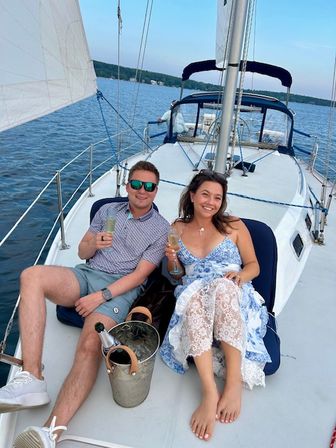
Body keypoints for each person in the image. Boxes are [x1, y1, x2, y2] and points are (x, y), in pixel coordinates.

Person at [0, 160, 170, 447]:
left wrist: (100, 296)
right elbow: (81, 250)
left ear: (156, 191)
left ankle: (49, 433)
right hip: (88, 272)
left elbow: (140, 275)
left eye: (149, 186)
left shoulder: (160, 228)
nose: (142, 191)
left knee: (90, 344)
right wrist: (95, 245)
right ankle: (32, 377)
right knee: (32, 276)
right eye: (137, 184)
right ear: (128, 185)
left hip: (120, 289)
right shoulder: (107, 211)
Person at [160, 169, 270, 442]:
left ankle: (233, 383)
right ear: (193, 195)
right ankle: (209, 391)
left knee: (222, 287)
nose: (211, 201)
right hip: (195, 290)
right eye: (205, 194)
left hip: (232, 290)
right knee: (194, 297)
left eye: (218, 197)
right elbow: (176, 276)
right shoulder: (177, 228)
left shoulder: (233, 225)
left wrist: (240, 276)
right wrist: (173, 260)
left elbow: (254, 265)